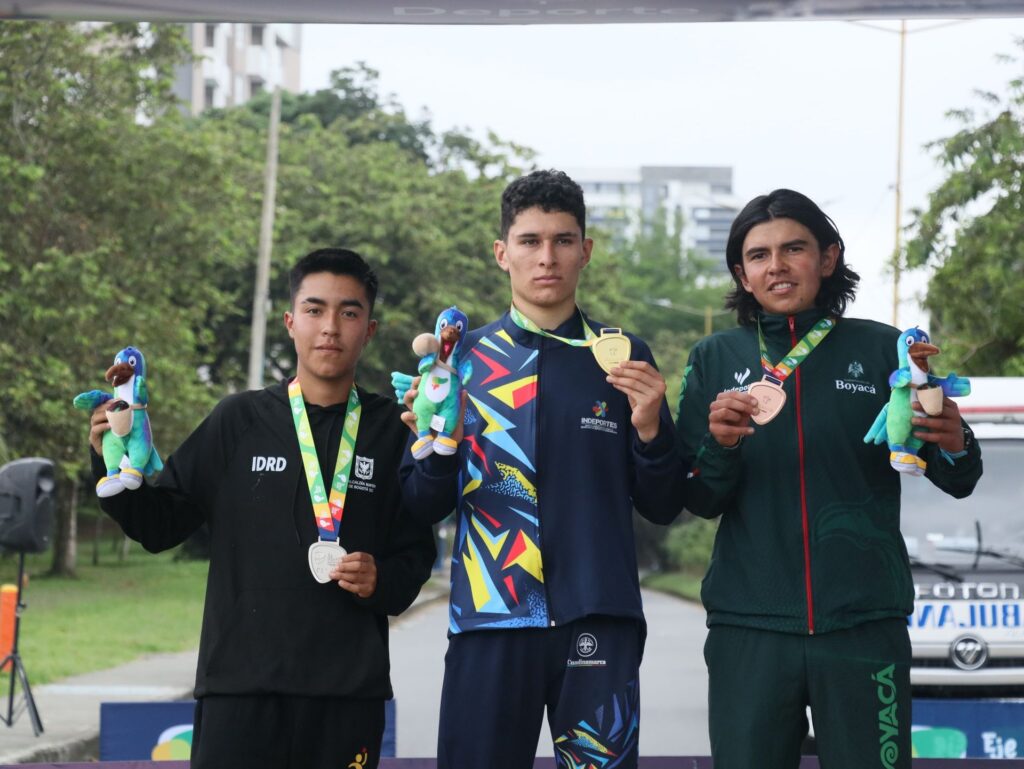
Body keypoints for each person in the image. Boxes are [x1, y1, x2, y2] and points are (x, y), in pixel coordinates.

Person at [86, 248, 436, 769]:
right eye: (315, 310)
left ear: (370, 329)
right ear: (291, 322)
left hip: (346, 695)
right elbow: (160, 526)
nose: (330, 328)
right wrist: (108, 465)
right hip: (239, 692)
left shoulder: (391, 430)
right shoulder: (237, 419)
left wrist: (381, 578)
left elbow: (415, 553)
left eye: (349, 312)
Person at [675, 189, 983, 769]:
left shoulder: (883, 349)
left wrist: (957, 442)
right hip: (750, 627)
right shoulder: (714, 356)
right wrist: (720, 447)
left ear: (829, 257)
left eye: (794, 248)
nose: (778, 266)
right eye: (759, 255)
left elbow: (958, 476)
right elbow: (698, 497)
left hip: (865, 625)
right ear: (742, 274)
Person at [396, 169, 687, 768]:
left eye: (563, 240)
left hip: (597, 619)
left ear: (586, 250)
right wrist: (442, 447)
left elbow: (662, 505)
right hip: (489, 618)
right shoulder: (460, 365)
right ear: (503, 253)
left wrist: (654, 428)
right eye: (530, 241)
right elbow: (421, 505)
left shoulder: (623, 358)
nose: (546, 257)